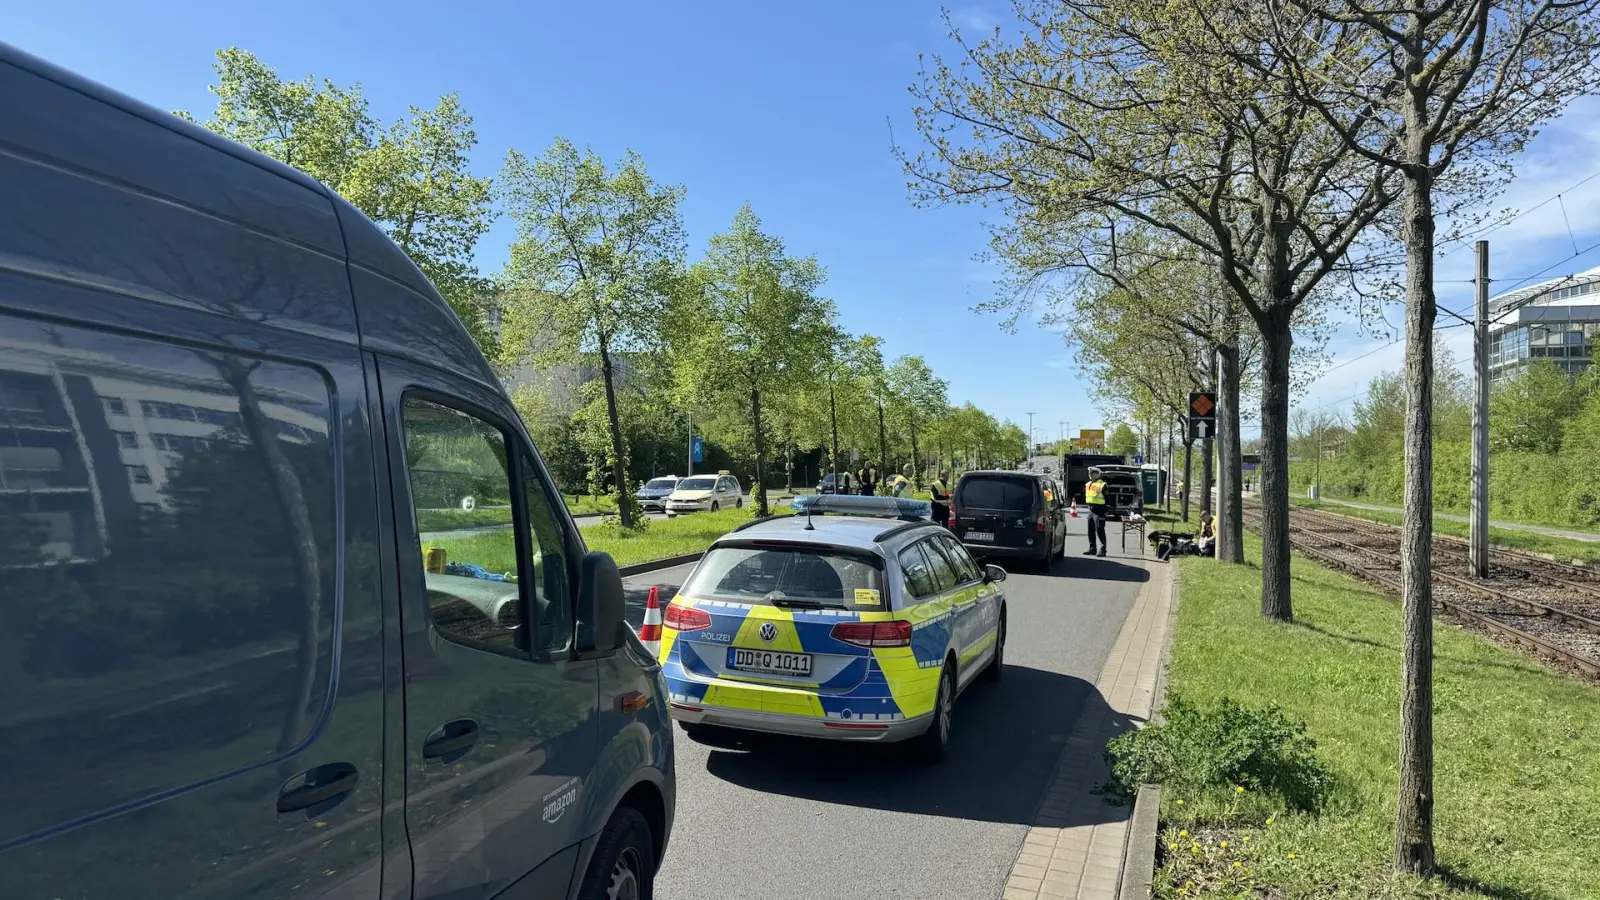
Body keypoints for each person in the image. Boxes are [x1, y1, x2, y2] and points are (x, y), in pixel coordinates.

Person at [1083, 466, 1108, 557]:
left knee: (1100, 529)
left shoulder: (1102, 484)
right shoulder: (1088, 484)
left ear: (1097, 474)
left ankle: (1103, 550)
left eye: (1092, 473)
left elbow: (1107, 498)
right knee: (1090, 530)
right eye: (1089, 473)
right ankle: (1092, 549)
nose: (1090, 475)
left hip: (1099, 509)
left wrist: (1106, 509)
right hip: (1091, 509)